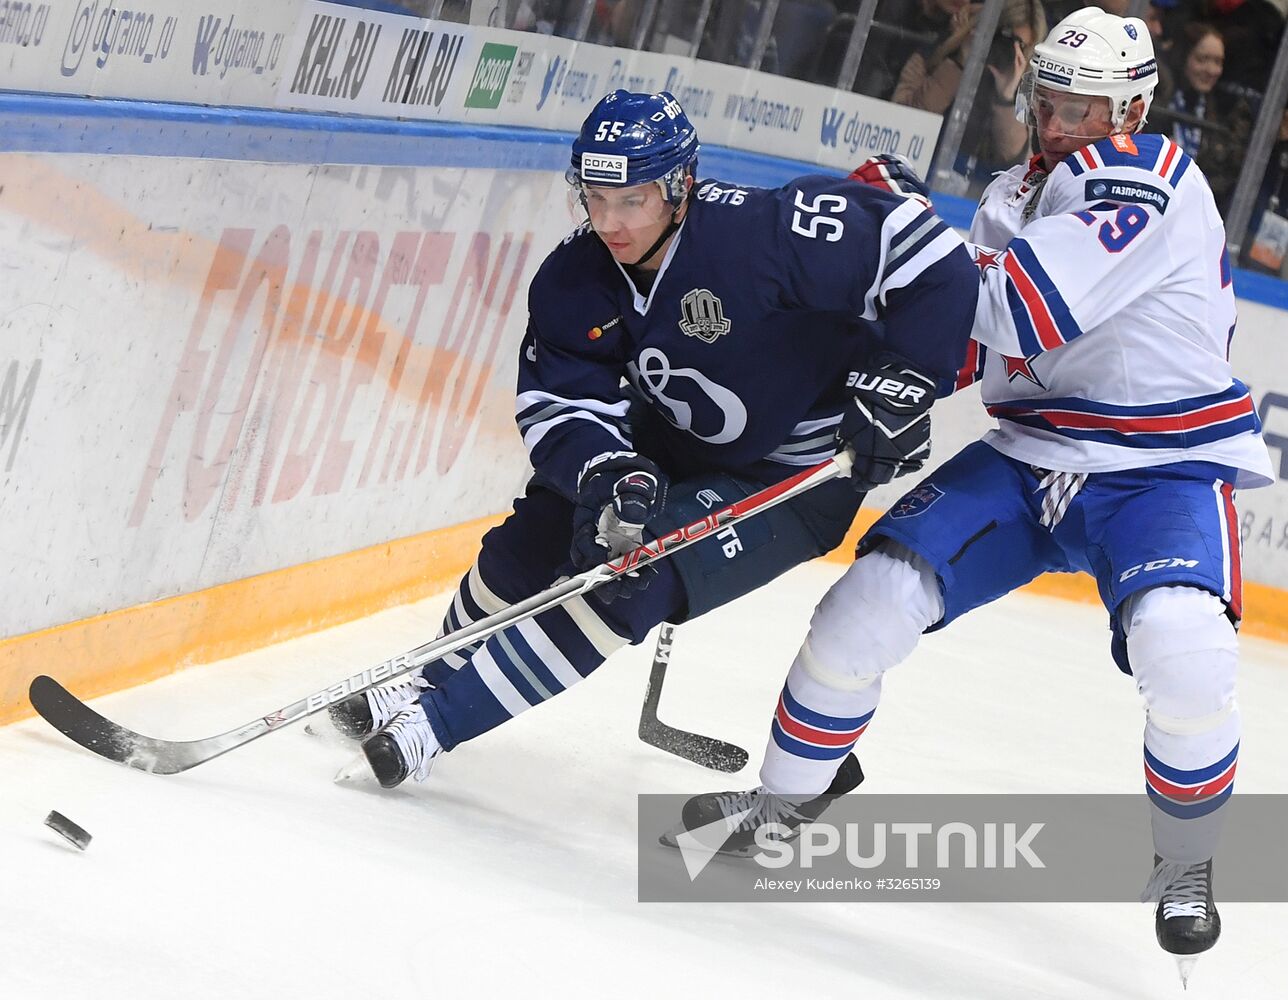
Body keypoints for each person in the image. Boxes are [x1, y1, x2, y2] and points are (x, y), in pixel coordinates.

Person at [675, 7, 1273, 980]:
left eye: (1084, 106)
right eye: (1049, 99)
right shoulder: (1009, 193)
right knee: (864, 606)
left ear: (1130, 107)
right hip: (1030, 453)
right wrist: (872, 390)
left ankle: (1187, 863)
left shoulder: (1146, 178)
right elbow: (959, 335)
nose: (1059, 121)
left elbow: (1021, 306)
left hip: (1158, 468)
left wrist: (901, 228)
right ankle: (783, 799)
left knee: (1184, 646)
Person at [324, 91, 981, 791]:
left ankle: (435, 727)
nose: (609, 222)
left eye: (630, 200)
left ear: (679, 186)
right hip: (670, 440)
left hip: (790, 478)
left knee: (626, 583)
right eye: (594, 197)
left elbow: (933, 257)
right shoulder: (574, 275)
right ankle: (427, 675)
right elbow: (558, 401)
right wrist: (606, 469)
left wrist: (907, 381)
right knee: (544, 528)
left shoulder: (762, 234)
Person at [1151, 21, 1252, 215]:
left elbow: (1224, 175)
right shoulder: (1158, 98)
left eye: (1218, 62)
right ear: (1184, 56)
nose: (1211, 70)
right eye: (1202, 59)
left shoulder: (1218, 114)